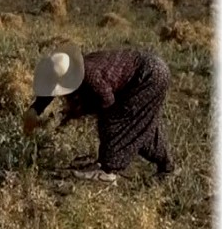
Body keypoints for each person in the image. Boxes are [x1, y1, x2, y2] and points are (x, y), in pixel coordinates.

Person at [23, 42, 175, 182]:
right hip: (154, 69)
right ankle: (167, 168)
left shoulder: (90, 77)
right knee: (141, 125)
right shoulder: (76, 67)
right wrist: (35, 109)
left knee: (120, 121)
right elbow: (53, 88)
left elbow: (107, 103)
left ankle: (108, 170)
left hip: (149, 75)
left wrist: (108, 145)